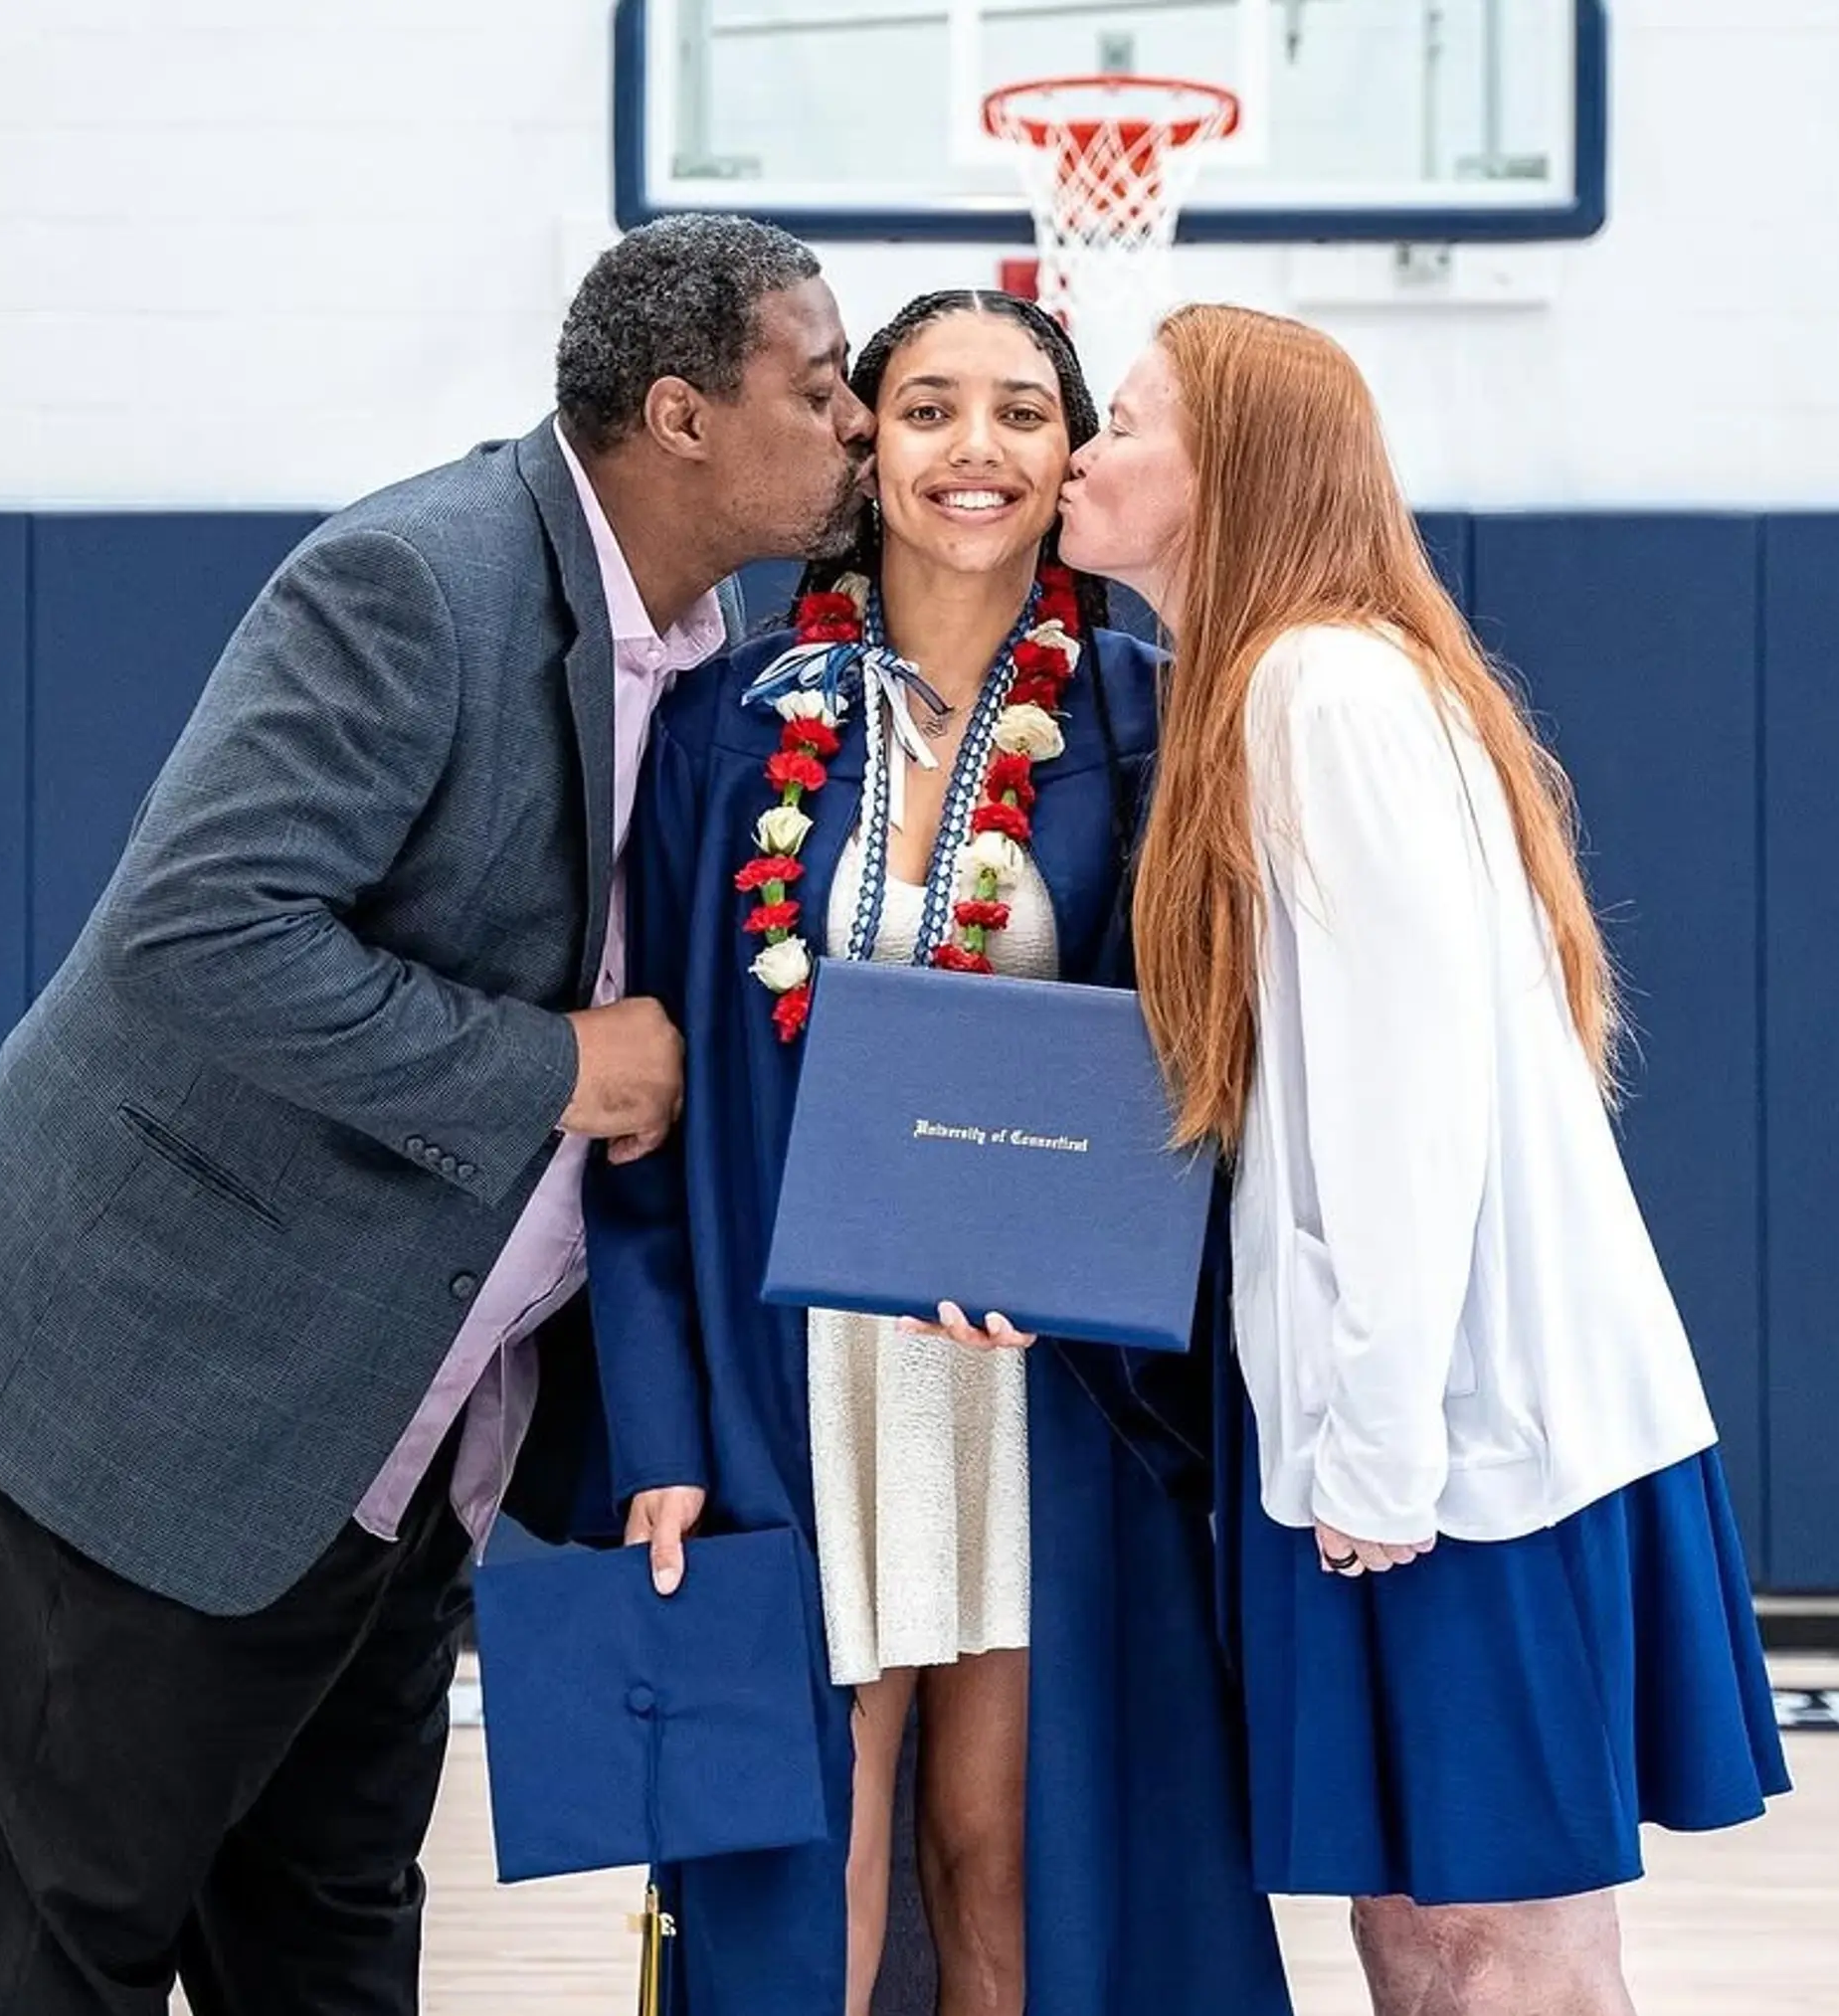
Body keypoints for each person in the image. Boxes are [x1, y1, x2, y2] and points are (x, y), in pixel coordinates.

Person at [0, 214, 874, 2016]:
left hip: (405, 1433)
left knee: (328, 1934)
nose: (860, 420)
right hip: (160, 1391)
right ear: (682, 417)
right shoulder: (422, 578)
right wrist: (563, 1066)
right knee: (63, 1944)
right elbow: (199, 933)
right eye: (821, 386)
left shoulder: (729, 652)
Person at [1057, 301, 1790, 2016]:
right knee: (1411, 1927)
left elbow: (1405, 1108)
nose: (1084, 450)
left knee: (1498, 1945)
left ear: (1229, 470)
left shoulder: (1324, 686)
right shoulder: (1288, 687)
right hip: (1386, 1432)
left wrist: (1377, 1450)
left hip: (1458, 1445)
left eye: (1129, 420)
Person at [585, 288, 1292, 2016]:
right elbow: (648, 1122)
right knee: (803, 1852)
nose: (974, 450)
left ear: (1071, 460)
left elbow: (1208, 1081)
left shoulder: (1153, 719)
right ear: (865, 445)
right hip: (796, 1380)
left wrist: (1100, 1280)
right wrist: (660, 1428)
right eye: (925, 409)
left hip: (1037, 1385)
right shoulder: (729, 720)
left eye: (1022, 414)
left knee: (1005, 1850)